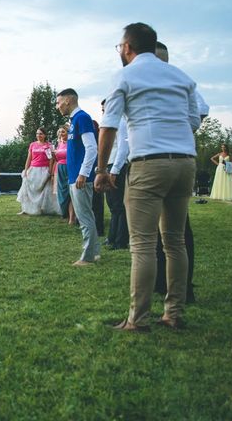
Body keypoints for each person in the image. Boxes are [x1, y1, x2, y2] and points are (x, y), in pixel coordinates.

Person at [95, 23, 200, 332]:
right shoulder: (181, 77)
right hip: (184, 163)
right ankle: (173, 313)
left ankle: (137, 319)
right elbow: (193, 119)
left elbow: (109, 125)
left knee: (142, 244)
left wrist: (102, 170)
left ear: (127, 47)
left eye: (120, 47)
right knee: (175, 241)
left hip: (148, 164)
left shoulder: (125, 75)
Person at [153, 41, 204, 304]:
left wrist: (176, 131)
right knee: (156, 230)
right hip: (154, 159)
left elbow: (200, 112)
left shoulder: (180, 81)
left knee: (178, 229)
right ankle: (161, 282)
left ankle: (184, 288)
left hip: (173, 159)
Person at [57, 89, 100, 266]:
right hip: (74, 176)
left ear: (68, 100)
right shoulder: (73, 121)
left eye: (58, 102)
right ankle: (95, 252)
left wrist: (83, 173)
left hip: (81, 177)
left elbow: (91, 148)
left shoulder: (82, 118)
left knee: (84, 217)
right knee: (86, 215)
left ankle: (88, 257)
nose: (57, 106)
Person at [100, 99, 130, 250]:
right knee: (112, 205)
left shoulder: (121, 123)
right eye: (103, 109)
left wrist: (114, 171)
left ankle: (120, 240)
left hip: (117, 167)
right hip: (109, 166)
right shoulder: (110, 125)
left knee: (119, 205)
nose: (104, 112)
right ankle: (111, 237)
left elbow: (123, 149)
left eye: (106, 109)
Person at [16, 127, 60, 215]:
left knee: (45, 191)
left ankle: (42, 209)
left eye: (40, 134)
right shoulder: (32, 145)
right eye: (37, 134)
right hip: (33, 169)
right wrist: (26, 169)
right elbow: (29, 158)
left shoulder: (49, 145)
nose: (38, 135)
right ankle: (26, 209)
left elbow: (51, 160)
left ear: (45, 135)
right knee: (27, 189)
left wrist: (50, 172)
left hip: (44, 169)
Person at [53, 125, 76, 224]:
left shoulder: (72, 142)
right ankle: (65, 213)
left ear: (68, 133)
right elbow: (56, 159)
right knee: (62, 192)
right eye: (60, 132)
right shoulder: (59, 144)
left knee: (71, 193)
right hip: (60, 168)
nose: (61, 134)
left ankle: (72, 218)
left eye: (63, 132)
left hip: (70, 168)